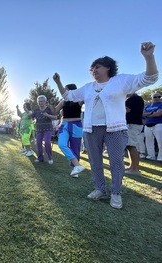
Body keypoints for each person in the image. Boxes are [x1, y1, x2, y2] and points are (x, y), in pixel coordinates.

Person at [53, 41, 158, 209]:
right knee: (95, 161)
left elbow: (149, 78)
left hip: (115, 129)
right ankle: (100, 189)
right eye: (92, 69)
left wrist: (148, 57)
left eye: (98, 67)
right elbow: (68, 95)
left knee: (116, 162)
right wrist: (59, 82)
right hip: (91, 129)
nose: (94, 71)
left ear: (108, 67)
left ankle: (116, 193)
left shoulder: (121, 81)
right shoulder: (88, 87)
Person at [54, 84, 85, 178]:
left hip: (76, 125)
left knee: (75, 148)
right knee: (62, 144)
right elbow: (54, 111)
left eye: (66, 90)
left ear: (72, 91)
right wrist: (51, 104)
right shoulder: (63, 101)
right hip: (64, 125)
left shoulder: (79, 100)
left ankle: (75, 169)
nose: (64, 92)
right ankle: (78, 165)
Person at [30, 95, 58, 164]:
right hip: (39, 129)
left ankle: (50, 157)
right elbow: (31, 116)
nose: (40, 103)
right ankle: (40, 158)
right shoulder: (36, 110)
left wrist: (48, 115)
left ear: (45, 102)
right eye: (39, 101)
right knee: (38, 143)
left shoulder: (48, 109)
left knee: (47, 143)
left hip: (48, 129)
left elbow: (55, 117)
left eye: (42, 101)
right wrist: (29, 115)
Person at [125, 93, 145, 175]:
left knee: (131, 146)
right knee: (129, 146)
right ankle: (132, 166)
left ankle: (135, 169)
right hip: (133, 124)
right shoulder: (136, 99)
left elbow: (126, 109)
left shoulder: (134, 99)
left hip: (132, 125)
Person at [143, 92, 162, 161]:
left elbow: (158, 114)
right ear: (152, 98)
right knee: (148, 141)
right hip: (148, 125)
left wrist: (148, 115)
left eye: (159, 97)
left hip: (159, 124)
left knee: (160, 142)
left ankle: (160, 158)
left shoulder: (161, 104)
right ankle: (151, 156)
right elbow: (142, 114)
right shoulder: (148, 106)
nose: (157, 98)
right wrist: (152, 113)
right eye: (155, 97)